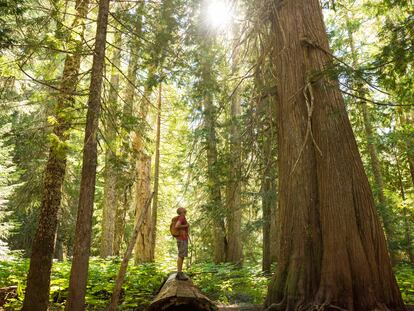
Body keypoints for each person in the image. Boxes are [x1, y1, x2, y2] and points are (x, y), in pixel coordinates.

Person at [175, 207, 189, 280]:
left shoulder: (182, 217)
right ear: (181, 211)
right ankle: (179, 274)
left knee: (182, 255)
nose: (185, 209)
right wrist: (186, 226)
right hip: (182, 239)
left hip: (182, 238)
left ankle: (179, 273)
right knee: (181, 255)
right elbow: (177, 226)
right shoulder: (182, 217)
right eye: (183, 209)